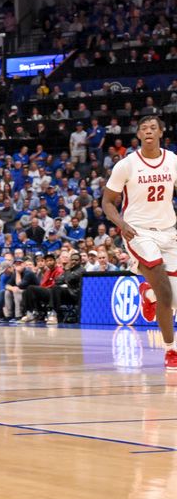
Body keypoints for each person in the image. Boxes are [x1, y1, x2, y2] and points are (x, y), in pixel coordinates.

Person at [102, 116, 177, 371]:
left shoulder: (173, 161)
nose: (148, 131)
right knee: (166, 289)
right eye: (143, 128)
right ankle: (171, 350)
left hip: (169, 232)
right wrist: (122, 225)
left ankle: (149, 293)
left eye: (153, 128)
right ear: (138, 135)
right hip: (138, 232)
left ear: (161, 133)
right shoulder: (127, 165)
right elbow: (107, 202)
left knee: (172, 299)